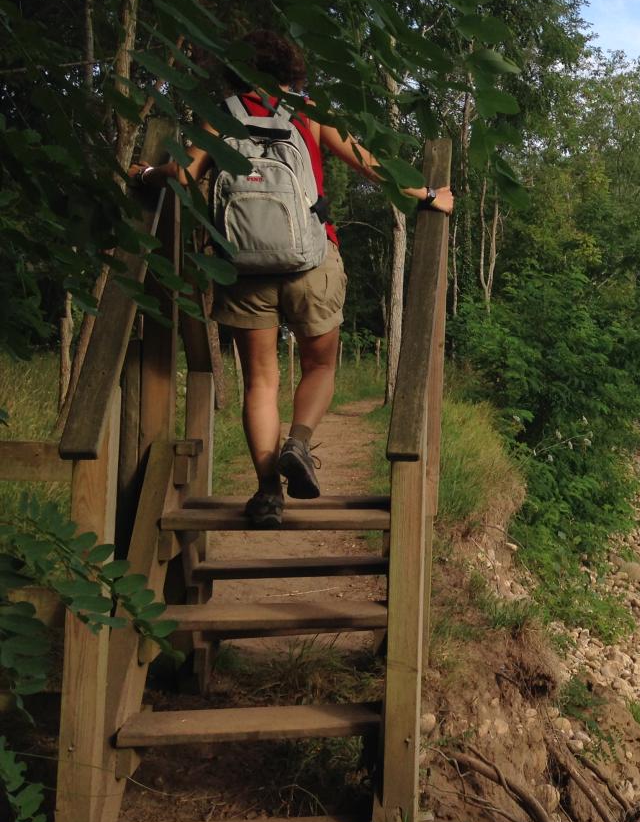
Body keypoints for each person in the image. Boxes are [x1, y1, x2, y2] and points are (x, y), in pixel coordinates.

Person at [129, 29, 454, 526]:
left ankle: (266, 496)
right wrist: (430, 195)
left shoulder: (222, 115)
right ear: (293, 71)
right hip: (311, 259)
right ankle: (298, 444)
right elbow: (371, 167)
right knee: (320, 367)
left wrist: (147, 174)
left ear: (235, 71)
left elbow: (186, 174)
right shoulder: (309, 111)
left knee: (260, 380)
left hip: (242, 265)